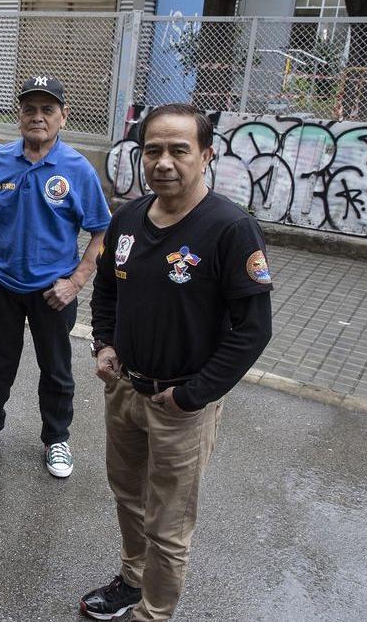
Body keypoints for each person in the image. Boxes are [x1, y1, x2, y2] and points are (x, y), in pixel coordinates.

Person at [82, 103, 273, 621]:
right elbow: (105, 291)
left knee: (168, 523)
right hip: (124, 391)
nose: (163, 162)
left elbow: (253, 330)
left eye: (178, 150)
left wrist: (194, 394)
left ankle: (155, 612)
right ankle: (131, 580)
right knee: (127, 496)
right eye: (152, 150)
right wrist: (104, 344)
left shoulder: (231, 229)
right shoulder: (125, 219)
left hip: (182, 405)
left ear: (206, 155)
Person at [0, 75, 110, 478]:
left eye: (47, 110)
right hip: (2, 285)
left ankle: (56, 439)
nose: (37, 117)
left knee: (56, 370)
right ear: (19, 115)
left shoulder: (77, 169)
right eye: (29, 109)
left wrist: (75, 282)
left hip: (53, 293)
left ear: (63, 117)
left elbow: (101, 230)